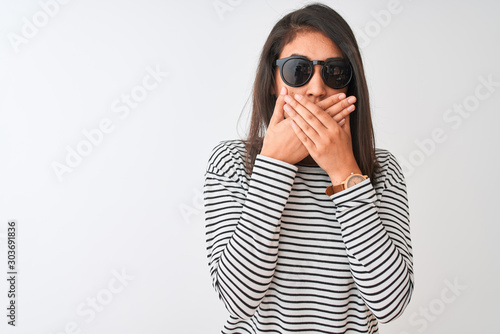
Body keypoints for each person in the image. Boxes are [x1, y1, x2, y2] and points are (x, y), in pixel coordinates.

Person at [204, 3, 414, 333]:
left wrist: (344, 171)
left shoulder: (381, 169)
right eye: (298, 70)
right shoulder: (231, 163)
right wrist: (273, 166)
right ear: (273, 81)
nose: (317, 88)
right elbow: (238, 300)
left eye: (334, 72)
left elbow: (390, 304)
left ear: (350, 85)